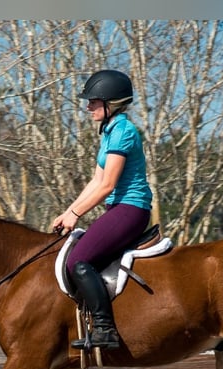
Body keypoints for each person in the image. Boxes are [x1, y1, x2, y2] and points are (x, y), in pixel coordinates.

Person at [52, 69, 153, 350]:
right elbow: (95, 180)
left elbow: (107, 185)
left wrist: (76, 214)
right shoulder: (109, 132)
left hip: (131, 208)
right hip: (118, 208)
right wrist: (69, 210)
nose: (88, 107)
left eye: (94, 102)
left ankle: (105, 330)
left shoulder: (123, 132)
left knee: (78, 262)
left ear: (112, 104)